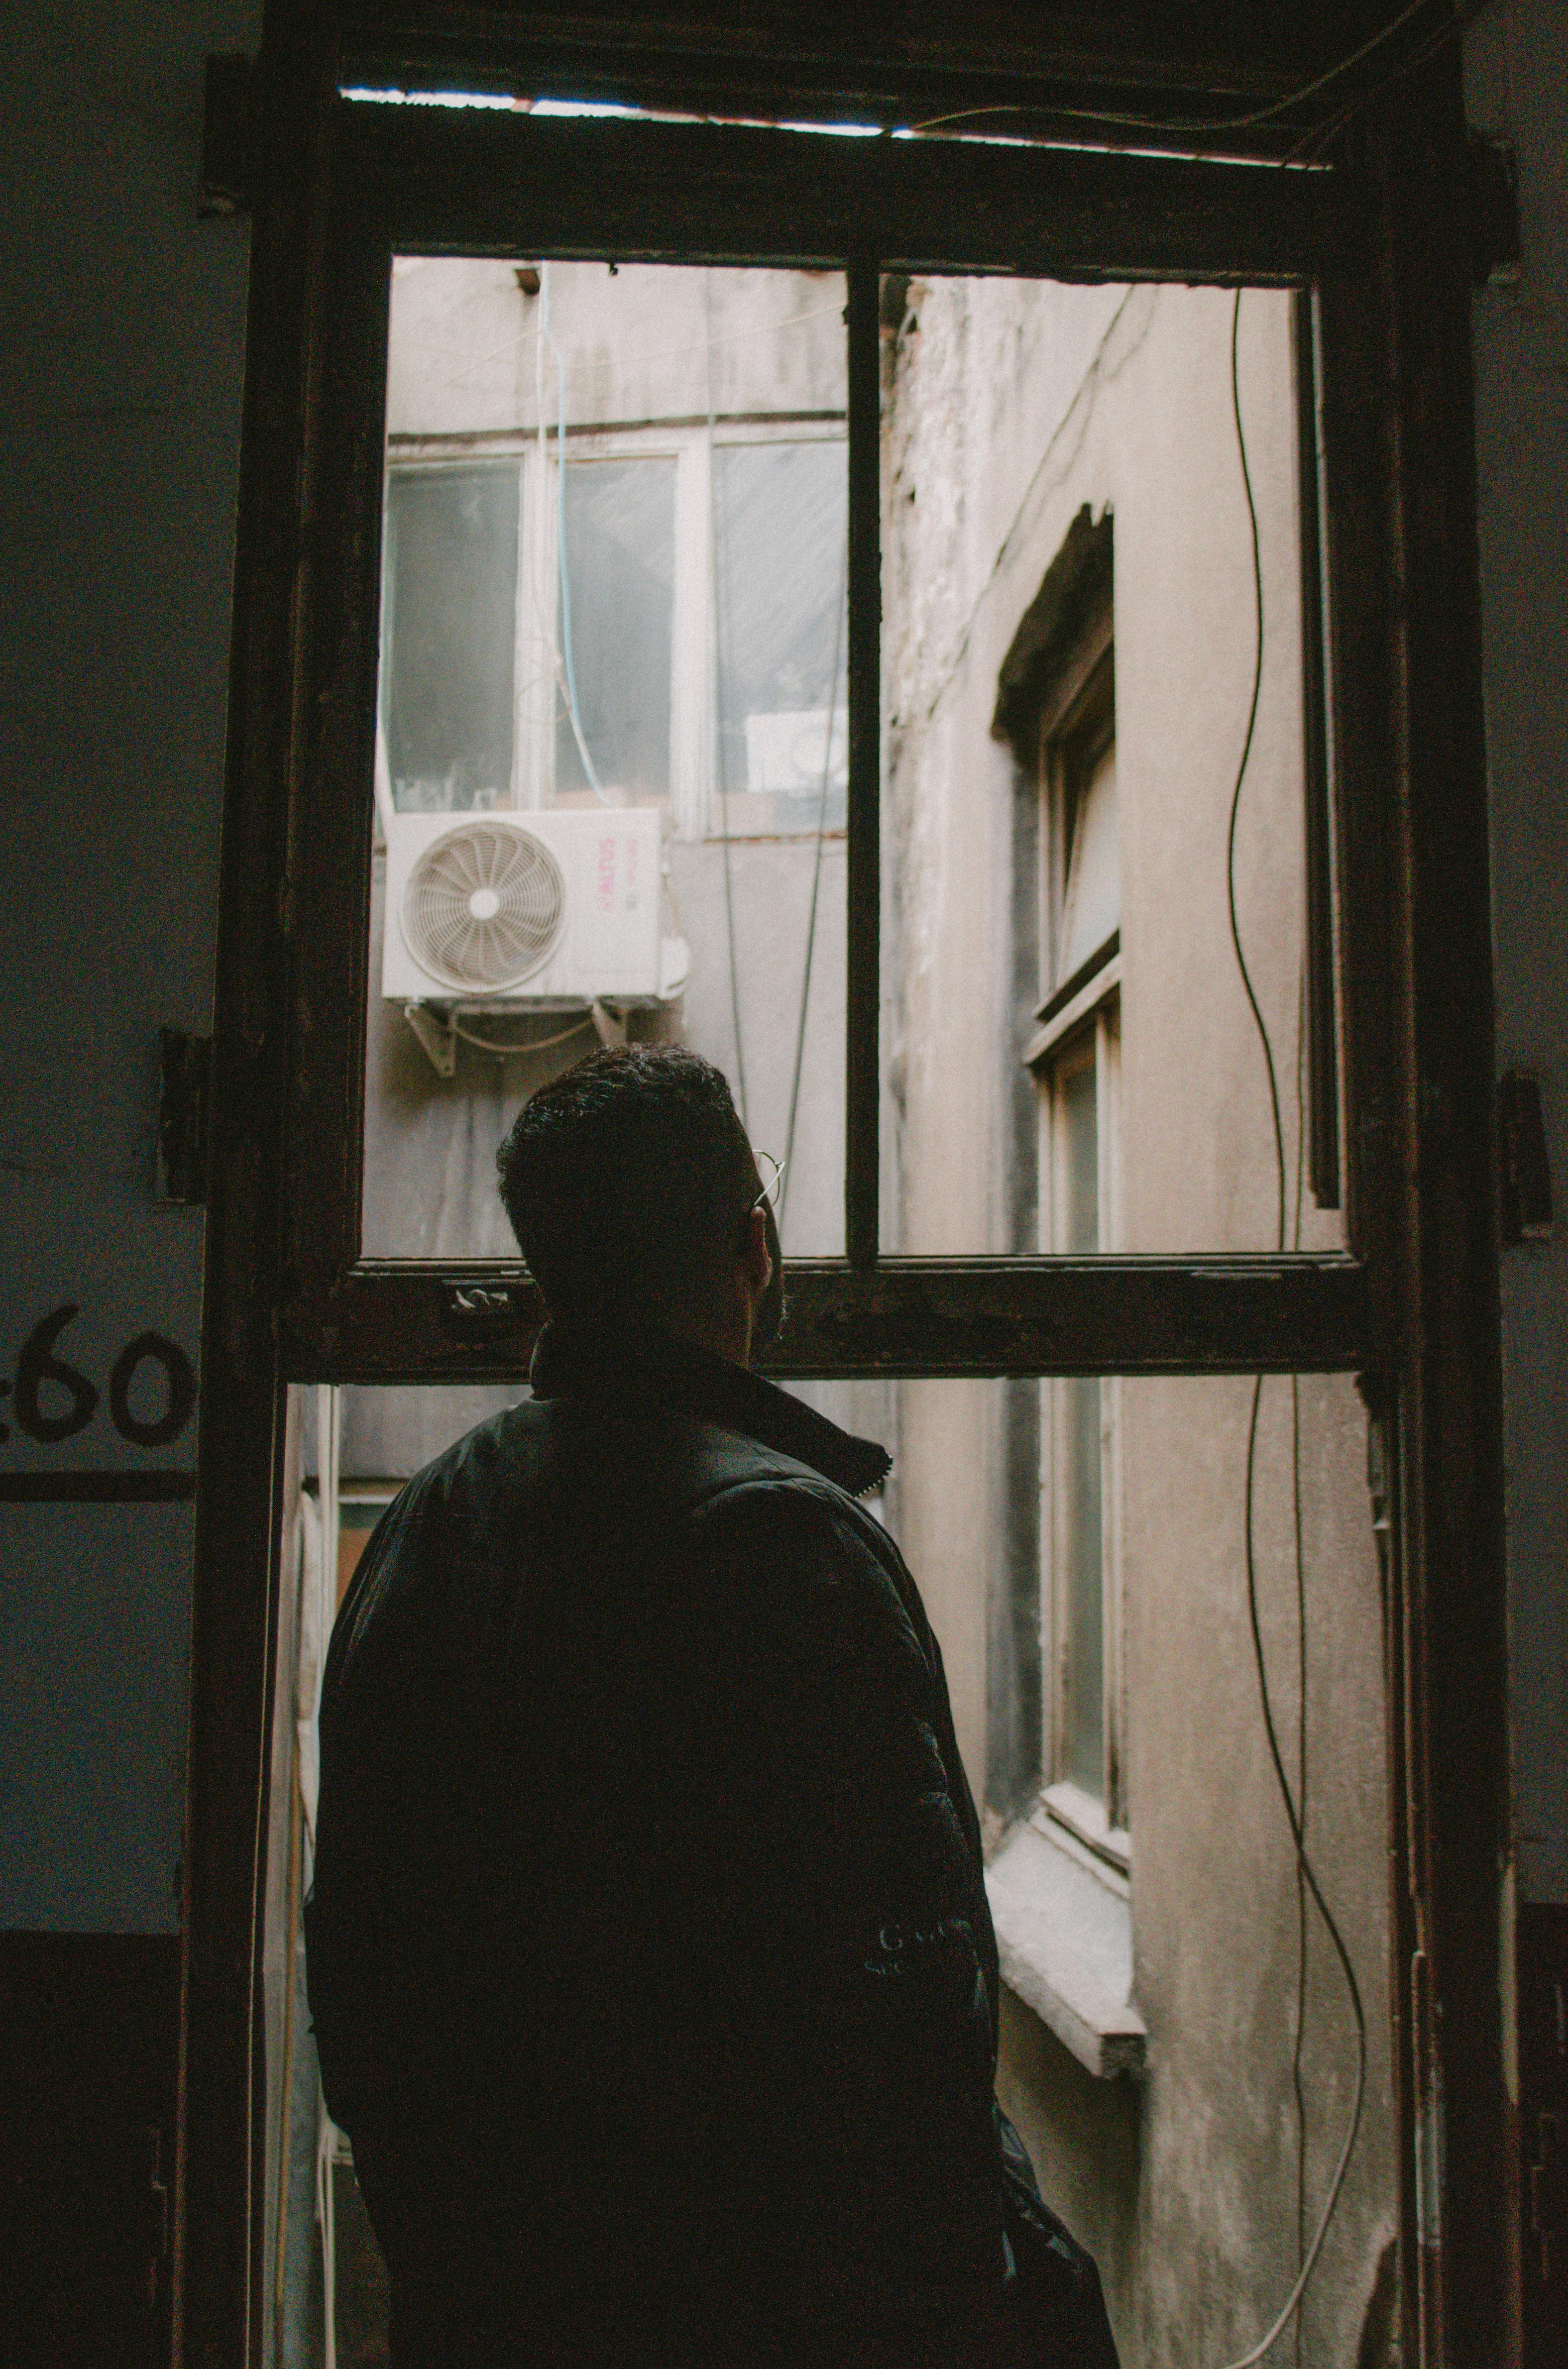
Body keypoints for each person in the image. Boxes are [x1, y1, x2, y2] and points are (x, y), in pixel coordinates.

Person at [306, 1044, 1115, 2368]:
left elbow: (360, 1979)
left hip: (485, 2303)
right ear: (755, 1241)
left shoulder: (425, 1528)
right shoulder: (786, 1547)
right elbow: (905, 2034)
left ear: (547, 1272)